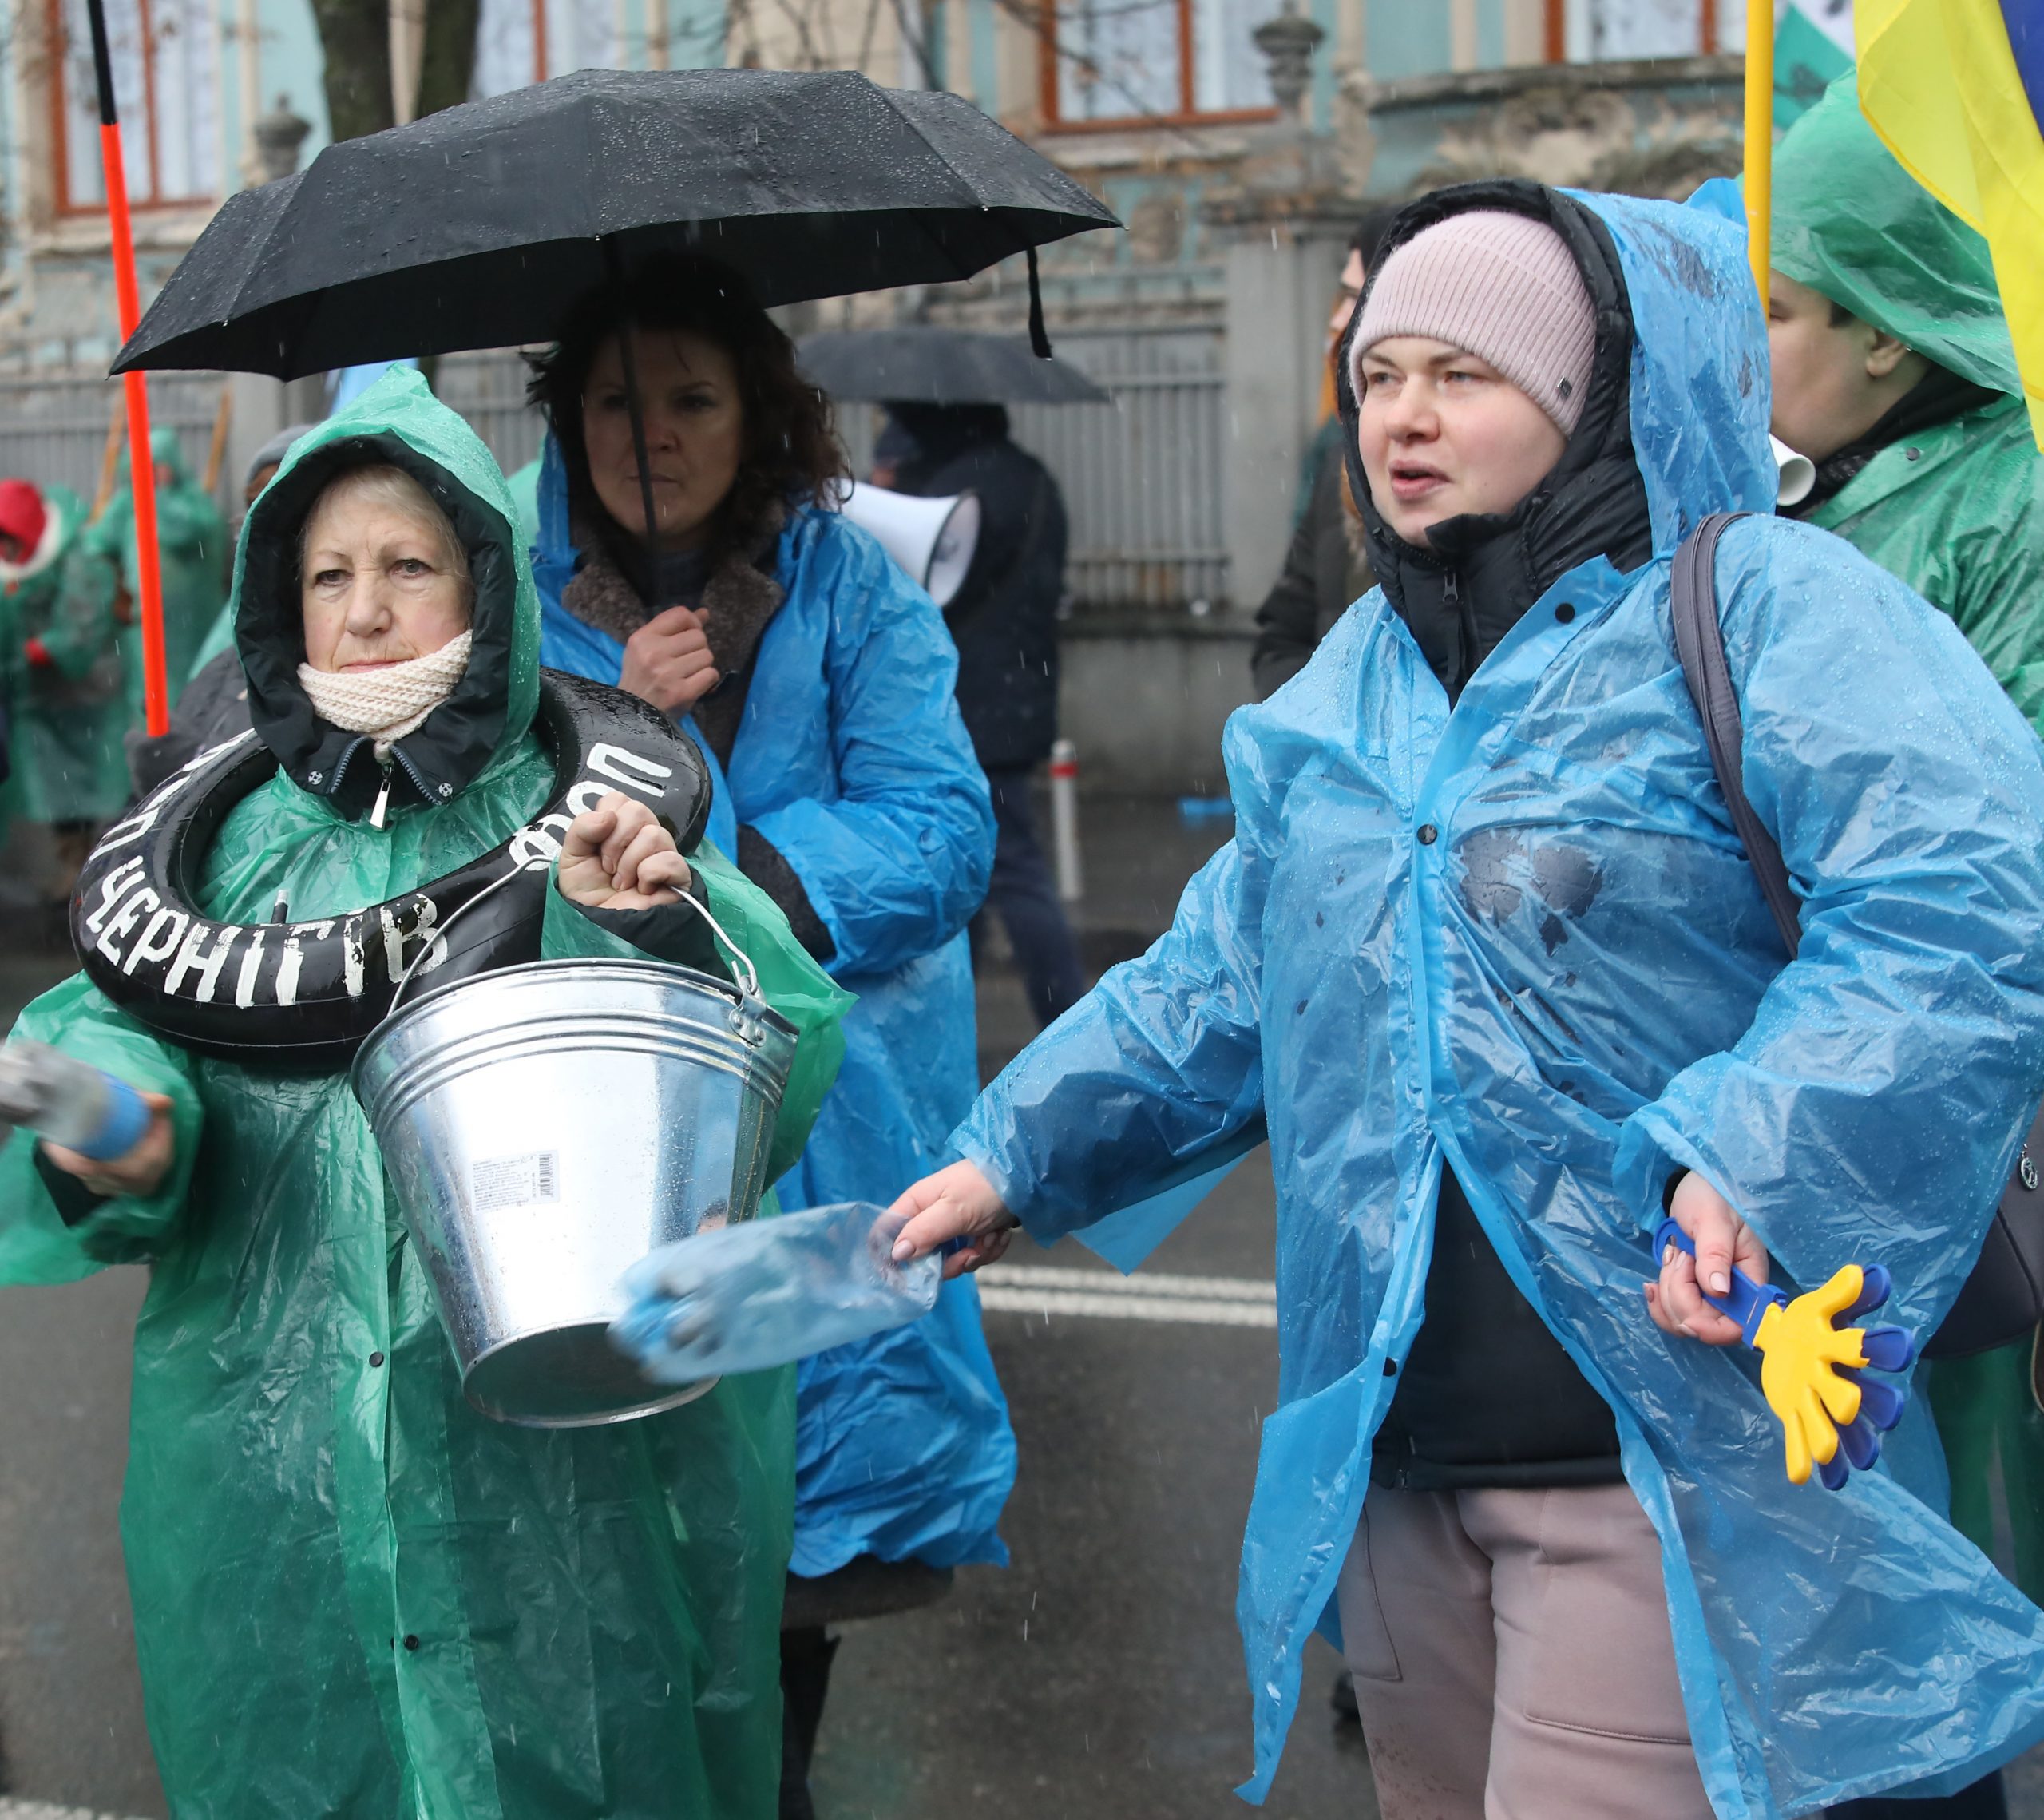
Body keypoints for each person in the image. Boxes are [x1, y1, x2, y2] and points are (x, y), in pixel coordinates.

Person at [883, 182, 2044, 1815]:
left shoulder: (1759, 608)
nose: (1401, 415)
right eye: (1374, 373)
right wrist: (1016, 1149)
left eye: (1462, 373)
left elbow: (1957, 900)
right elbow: (1227, 973)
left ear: (1588, 397)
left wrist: (1758, 1151)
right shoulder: (1347, 682)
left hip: (1664, 1446)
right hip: (1397, 1460)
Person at [0, 368, 850, 1819]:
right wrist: (107, 1118)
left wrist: (648, 921)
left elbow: (782, 1056)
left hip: (563, 1472)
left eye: (408, 565)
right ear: (280, 600)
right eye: (328, 573)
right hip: (280, 1479)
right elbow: (128, 1037)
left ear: (487, 587)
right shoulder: (225, 849)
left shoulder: (591, 808)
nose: (366, 609)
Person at [522, 260, 1016, 1818]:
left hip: (823, 1116)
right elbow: (483, 851)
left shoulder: (849, 581)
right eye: (614, 400)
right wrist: (619, 708)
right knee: (615, 1524)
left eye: (689, 397)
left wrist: (724, 861)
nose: (649, 434)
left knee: (792, 1545)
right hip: (600, 1129)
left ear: (759, 410)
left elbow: (939, 828)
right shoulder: (511, 603)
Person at [1768, 74, 2044, 1820]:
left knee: (1945, 1471)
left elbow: (1995, 818)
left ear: (1879, 334)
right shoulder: (1799, 486)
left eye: (1780, 308)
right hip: (1790, 1096)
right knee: (1821, 1480)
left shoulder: (2002, 502)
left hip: (1938, 1096)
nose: (1751, 345)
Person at [872, 400, 1087, 1028]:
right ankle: (974, 1021)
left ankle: (1064, 1018)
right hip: (1019, 697)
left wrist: (899, 491)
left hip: (969, 706)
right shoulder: (1030, 476)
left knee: (1001, 868)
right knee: (986, 868)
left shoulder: (959, 491)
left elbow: (925, 580)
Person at [1250, 206, 1398, 700]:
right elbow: (1283, 634)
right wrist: (1312, 730)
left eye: (1354, 297)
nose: (1337, 317)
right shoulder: (1339, 456)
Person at [127, 423, 319, 799]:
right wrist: (170, 776)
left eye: (287, 501)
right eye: (254, 505)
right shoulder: (229, 651)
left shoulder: (356, 654)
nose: (263, 525)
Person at [0, 474, 126, 906]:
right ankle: (73, 866)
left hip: (85, 692)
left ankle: (90, 873)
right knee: (59, 786)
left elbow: (82, 625)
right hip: (43, 696)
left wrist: (43, 648)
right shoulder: (15, 562)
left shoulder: (79, 560)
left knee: (87, 784)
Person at [96, 428, 230, 725]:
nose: (149, 475)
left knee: (193, 697)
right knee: (147, 702)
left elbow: (189, 532)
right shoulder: (127, 505)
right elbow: (97, 545)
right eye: (140, 469)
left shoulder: (195, 504)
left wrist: (156, 498)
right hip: (141, 627)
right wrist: (115, 585)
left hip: (189, 629)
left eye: (155, 467)